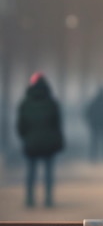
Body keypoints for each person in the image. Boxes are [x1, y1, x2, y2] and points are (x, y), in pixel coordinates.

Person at [16, 72, 65, 207]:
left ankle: (30, 199)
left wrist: (26, 137)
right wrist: (58, 140)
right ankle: (48, 199)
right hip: (49, 143)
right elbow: (57, 125)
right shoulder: (52, 103)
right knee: (48, 172)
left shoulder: (25, 103)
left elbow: (21, 125)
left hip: (31, 142)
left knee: (31, 171)